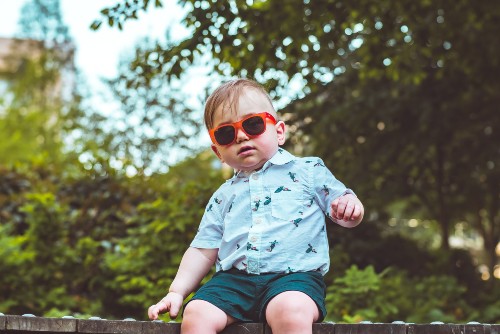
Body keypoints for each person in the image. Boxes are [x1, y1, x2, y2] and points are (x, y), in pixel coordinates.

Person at [148, 78, 364, 334]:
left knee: (290, 310)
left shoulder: (308, 171)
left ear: (279, 132)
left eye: (253, 124)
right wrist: (177, 291)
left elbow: (342, 210)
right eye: (226, 133)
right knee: (196, 312)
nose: (240, 135)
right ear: (218, 152)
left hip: (293, 279)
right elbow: (203, 249)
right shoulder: (223, 196)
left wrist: (350, 207)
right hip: (234, 282)